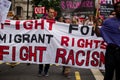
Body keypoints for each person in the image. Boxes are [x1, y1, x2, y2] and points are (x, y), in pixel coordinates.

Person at [94, 2, 120, 80]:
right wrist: (95, 24)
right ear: (115, 9)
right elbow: (99, 34)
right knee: (108, 74)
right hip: (111, 51)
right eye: (118, 7)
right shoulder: (108, 22)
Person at [38, 7, 56, 77]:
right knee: (41, 56)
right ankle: (40, 70)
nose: (52, 14)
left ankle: (46, 71)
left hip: (50, 42)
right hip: (42, 41)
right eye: (50, 12)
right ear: (47, 12)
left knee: (48, 57)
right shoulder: (43, 20)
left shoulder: (54, 21)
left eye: (53, 12)